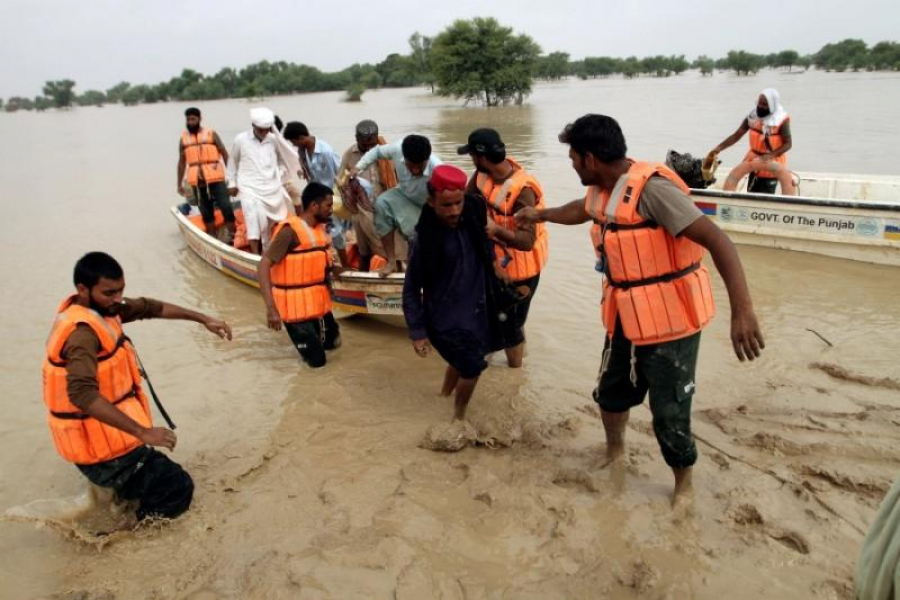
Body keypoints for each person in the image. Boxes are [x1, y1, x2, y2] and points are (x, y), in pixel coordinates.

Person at [517, 114, 765, 503]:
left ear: (591, 159)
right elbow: (581, 210)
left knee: (669, 411)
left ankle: (683, 486)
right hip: (624, 316)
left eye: (573, 158)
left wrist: (743, 311)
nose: (571, 164)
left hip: (672, 322)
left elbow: (719, 242)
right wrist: (540, 214)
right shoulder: (603, 188)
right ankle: (614, 453)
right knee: (611, 392)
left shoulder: (654, 192)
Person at [42, 252, 232, 522]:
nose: (118, 299)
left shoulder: (105, 309)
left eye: (121, 291)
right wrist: (143, 432)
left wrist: (203, 319)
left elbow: (151, 308)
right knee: (177, 488)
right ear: (83, 290)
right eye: (109, 292)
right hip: (100, 448)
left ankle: (119, 498)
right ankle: (127, 534)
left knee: (152, 481)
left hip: (106, 437)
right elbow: (82, 395)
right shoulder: (81, 334)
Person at [403, 165, 511, 426]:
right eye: (446, 205)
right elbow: (410, 288)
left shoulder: (473, 210)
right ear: (431, 201)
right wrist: (418, 333)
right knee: (473, 368)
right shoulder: (425, 240)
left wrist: (496, 264)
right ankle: (458, 418)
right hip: (444, 317)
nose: (454, 211)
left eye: (457, 203)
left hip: (477, 306)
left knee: (463, 360)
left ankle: (443, 395)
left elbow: (484, 238)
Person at [459, 128, 547, 368]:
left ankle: (515, 374)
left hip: (522, 272)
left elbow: (527, 242)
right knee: (500, 317)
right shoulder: (480, 175)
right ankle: (509, 353)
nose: (471, 161)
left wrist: (496, 230)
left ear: (483, 157)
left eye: (473, 156)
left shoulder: (524, 191)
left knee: (511, 324)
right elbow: (467, 203)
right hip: (495, 264)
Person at [258, 182, 341, 368]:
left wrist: (336, 269)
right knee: (318, 363)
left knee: (334, 344)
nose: (331, 210)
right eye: (328, 205)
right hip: (295, 310)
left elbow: (319, 259)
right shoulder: (289, 232)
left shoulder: (319, 229)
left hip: (317, 303)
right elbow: (263, 265)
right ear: (314, 206)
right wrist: (271, 309)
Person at [350, 134, 441, 276]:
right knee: (381, 204)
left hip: (429, 205)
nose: (416, 170)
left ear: (427, 159)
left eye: (420, 166)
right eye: (411, 166)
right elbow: (376, 152)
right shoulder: (397, 148)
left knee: (418, 239)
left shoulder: (438, 168)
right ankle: (391, 261)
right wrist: (358, 167)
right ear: (404, 158)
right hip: (404, 195)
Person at [226, 108, 295, 254]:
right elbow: (232, 162)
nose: (264, 133)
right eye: (260, 129)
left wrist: (280, 173)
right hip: (248, 187)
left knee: (268, 223)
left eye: (266, 129)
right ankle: (256, 255)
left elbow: (283, 161)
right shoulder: (240, 140)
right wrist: (231, 183)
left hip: (271, 186)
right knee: (254, 220)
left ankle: (268, 251)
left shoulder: (274, 140)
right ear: (253, 126)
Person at [282, 121, 350, 266]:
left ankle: (345, 264)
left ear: (301, 138)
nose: (294, 145)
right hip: (316, 195)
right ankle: (323, 258)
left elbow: (341, 174)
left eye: (294, 142)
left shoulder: (325, 152)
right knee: (318, 227)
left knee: (336, 230)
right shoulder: (303, 151)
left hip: (331, 196)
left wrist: (342, 198)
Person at [338, 119, 400, 271]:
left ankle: (399, 274)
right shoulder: (349, 155)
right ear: (357, 139)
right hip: (362, 210)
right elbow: (341, 182)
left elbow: (397, 178)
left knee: (393, 248)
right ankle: (362, 278)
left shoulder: (387, 152)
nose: (369, 148)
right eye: (365, 144)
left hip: (386, 207)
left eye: (372, 144)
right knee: (364, 250)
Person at [709, 88, 795, 195]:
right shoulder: (753, 116)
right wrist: (718, 148)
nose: (760, 107)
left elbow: (788, 144)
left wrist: (771, 155)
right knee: (752, 192)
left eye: (764, 105)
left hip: (772, 163)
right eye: (759, 103)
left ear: (772, 105)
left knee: (764, 194)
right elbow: (737, 135)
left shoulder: (782, 120)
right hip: (753, 161)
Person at [177, 107, 235, 241]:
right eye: (188, 119)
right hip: (198, 182)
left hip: (216, 178)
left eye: (193, 119)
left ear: (199, 119)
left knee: (226, 206)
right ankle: (212, 239)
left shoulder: (211, 134)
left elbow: (225, 154)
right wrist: (179, 183)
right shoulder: (183, 139)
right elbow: (181, 163)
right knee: (206, 212)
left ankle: (233, 236)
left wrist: (232, 179)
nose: (190, 122)